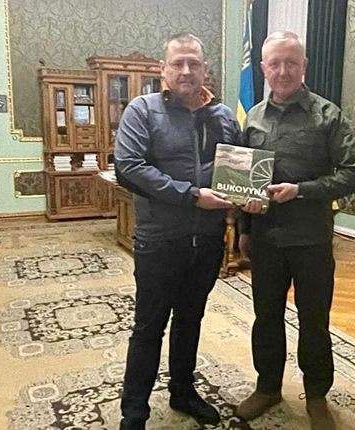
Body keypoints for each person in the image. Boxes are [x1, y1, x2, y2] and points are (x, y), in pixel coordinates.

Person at [236, 31, 355, 430]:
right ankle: (267, 388)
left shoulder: (328, 116)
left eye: (291, 62)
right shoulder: (252, 118)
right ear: (263, 68)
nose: (283, 71)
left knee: (314, 321)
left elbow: (354, 174)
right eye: (274, 63)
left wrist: (302, 190)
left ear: (304, 66)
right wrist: (244, 227)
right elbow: (243, 180)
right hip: (266, 239)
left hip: (311, 239)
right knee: (265, 317)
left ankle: (317, 396)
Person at [114, 32, 241, 430]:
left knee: (190, 320)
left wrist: (248, 197)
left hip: (207, 241)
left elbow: (238, 172)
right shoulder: (142, 110)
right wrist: (191, 196)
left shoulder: (224, 116)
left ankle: (183, 392)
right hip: (159, 241)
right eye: (178, 63)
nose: (186, 70)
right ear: (163, 70)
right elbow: (129, 168)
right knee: (148, 326)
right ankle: (134, 413)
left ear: (205, 69)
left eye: (194, 63)